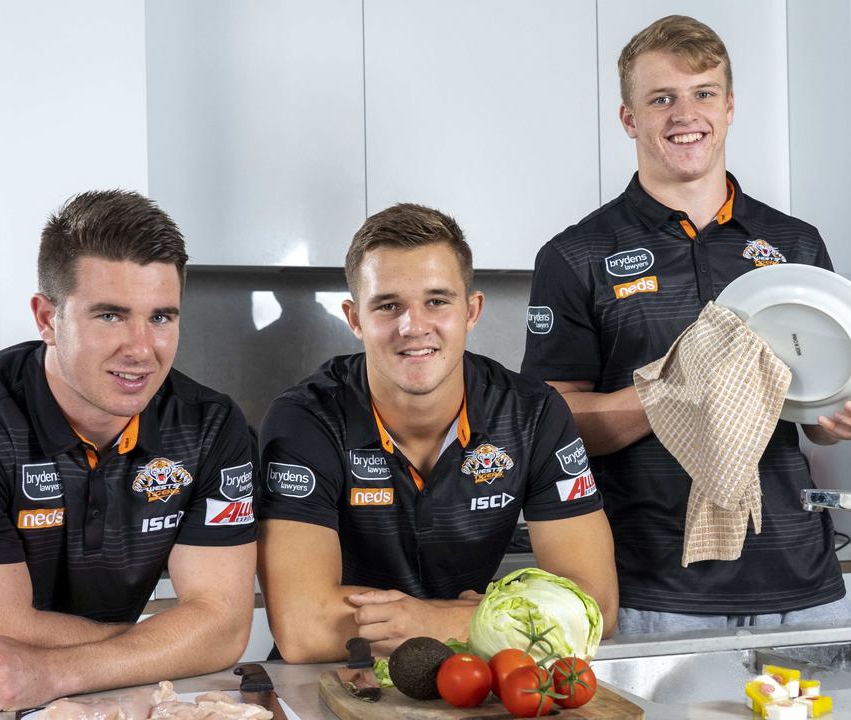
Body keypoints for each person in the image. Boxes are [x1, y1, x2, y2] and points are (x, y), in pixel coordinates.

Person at [521, 16, 851, 634]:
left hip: (801, 580)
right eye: (660, 98)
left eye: (703, 93)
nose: (684, 113)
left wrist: (838, 419)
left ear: (729, 106)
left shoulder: (795, 243)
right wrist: (679, 391)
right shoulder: (575, 255)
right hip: (652, 591)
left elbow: (817, 418)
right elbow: (552, 423)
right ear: (628, 118)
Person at [0, 190, 259, 717]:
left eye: (161, 317)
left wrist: (57, 670)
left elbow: (224, 627)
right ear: (47, 318)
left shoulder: (211, 426)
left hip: (105, 701)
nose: (142, 349)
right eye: (110, 316)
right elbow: (0, 633)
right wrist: (175, 639)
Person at [256, 203, 618, 662]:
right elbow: (304, 629)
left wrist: (432, 623)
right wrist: (488, 619)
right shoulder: (305, 420)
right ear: (354, 318)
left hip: (475, 680)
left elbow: (597, 607)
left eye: (437, 301)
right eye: (388, 305)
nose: (414, 327)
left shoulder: (534, 413)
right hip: (336, 680)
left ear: (471, 310)